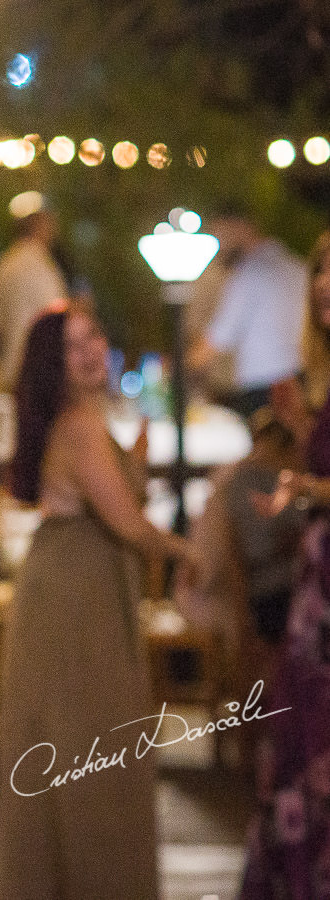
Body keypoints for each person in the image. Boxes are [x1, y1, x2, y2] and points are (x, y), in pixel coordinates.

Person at [0, 304, 195, 900]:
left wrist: (133, 457)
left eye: (94, 337)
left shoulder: (81, 420)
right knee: (96, 752)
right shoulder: (80, 424)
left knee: (78, 750)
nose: (90, 351)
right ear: (52, 364)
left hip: (77, 588)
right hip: (76, 597)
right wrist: (192, 554)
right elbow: (127, 523)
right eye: (73, 344)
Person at [239, 230, 330, 900]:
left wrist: (311, 488)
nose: (325, 283)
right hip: (317, 585)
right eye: (322, 268)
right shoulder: (321, 378)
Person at [187, 207, 307, 419]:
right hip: (301, 382)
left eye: (220, 235)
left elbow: (217, 340)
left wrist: (177, 369)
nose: (219, 247)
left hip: (265, 393)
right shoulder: (296, 265)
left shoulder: (251, 272)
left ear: (241, 227)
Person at [0, 206, 69, 387]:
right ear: (39, 227)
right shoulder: (41, 264)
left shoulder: (4, 263)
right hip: (37, 370)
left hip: (7, 366)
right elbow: (57, 316)